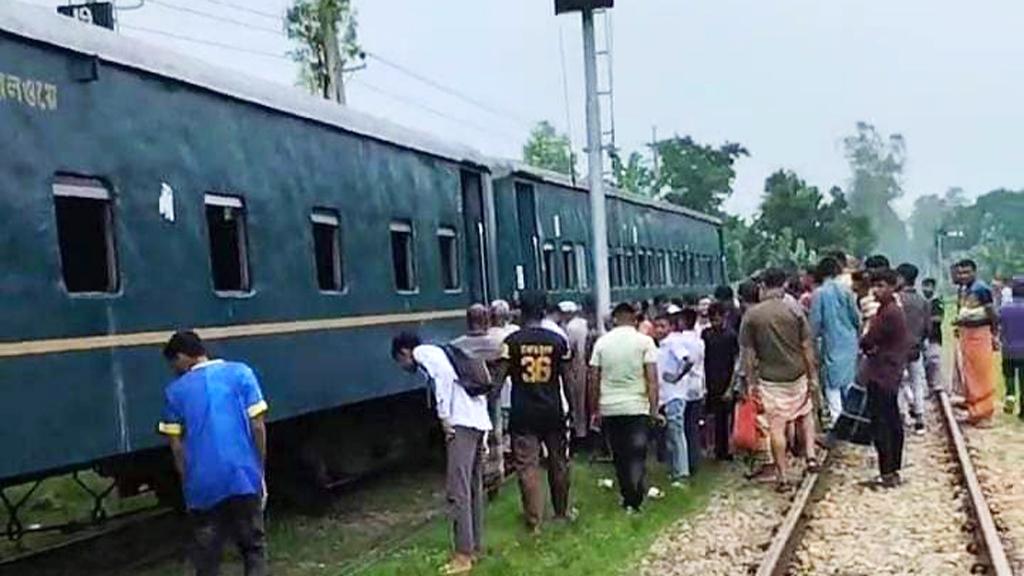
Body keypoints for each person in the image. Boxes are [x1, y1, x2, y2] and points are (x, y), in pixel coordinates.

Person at [157, 331, 269, 576]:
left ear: (183, 356)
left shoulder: (174, 392)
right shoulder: (241, 373)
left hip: (203, 484)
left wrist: (188, 481)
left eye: (174, 362)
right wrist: (258, 468)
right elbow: (258, 425)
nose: (174, 369)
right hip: (242, 475)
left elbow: (176, 446)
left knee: (207, 556)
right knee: (253, 548)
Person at [392, 332, 491, 575]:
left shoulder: (424, 353)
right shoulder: (447, 352)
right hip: (478, 422)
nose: (404, 366)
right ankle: (475, 547)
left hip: (461, 424)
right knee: (473, 487)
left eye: (400, 361)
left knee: (458, 490)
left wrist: (444, 417)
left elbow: (444, 378)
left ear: (404, 352)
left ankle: (462, 555)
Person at [491, 291, 573, 533]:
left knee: (527, 467)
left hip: (523, 411)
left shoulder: (512, 342)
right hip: (553, 410)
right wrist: (573, 410)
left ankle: (534, 521)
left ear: (520, 311)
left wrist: (489, 404)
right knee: (559, 463)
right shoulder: (558, 341)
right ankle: (561, 512)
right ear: (544, 310)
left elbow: (498, 380)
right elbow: (568, 379)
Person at [740, 268, 818, 490]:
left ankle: (782, 476)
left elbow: (749, 353)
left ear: (763, 286)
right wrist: (812, 376)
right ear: (783, 285)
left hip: (770, 379)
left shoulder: (752, 315)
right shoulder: (795, 311)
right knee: (805, 414)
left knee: (776, 427)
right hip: (797, 374)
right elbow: (807, 346)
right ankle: (810, 456)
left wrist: (750, 382)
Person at [589, 302, 662, 512]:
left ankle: (626, 495)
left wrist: (595, 409)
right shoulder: (645, 342)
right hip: (637, 406)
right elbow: (652, 379)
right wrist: (654, 408)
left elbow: (594, 378)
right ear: (634, 318)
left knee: (619, 455)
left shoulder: (602, 343)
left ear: (614, 318)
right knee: (637, 452)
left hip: (611, 407)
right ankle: (636, 495)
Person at [860, 269, 909, 488]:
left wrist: (868, 342)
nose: (877, 290)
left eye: (881, 286)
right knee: (891, 420)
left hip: (882, 373)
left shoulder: (888, 313)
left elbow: (868, 340)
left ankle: (887, 471)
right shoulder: (892, 310)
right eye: (875, 286)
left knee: (882, 422)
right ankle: (892, 469)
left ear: (892, 286)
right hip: (890, 371)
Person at [451, 304, 505, 484]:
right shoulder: (498, 345)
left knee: (472, 438)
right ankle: (495, 473)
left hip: (466, 399)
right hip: (492, 394)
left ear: (467, 321)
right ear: (487, 321)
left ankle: (477, 472)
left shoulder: (456, 345)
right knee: (494, 434)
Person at [809, 256, 862, 427]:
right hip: (850, 342)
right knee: (849, 382)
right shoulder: (846, 291)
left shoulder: (819, 293)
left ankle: (838, 422)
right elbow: (856, 318)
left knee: (832, 385)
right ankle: (852, 420)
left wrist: (811, 344)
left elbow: (815, 324)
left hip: (831, 342)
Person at [953, 259, 998, 425]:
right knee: (970, 372)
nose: (963, 276)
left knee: (980, 373)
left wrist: (994, 333)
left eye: (966, 272)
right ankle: (974, 409)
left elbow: (992, 313)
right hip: (968, 335)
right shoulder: (967, 289)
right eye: (960, 273)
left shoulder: (981, 289)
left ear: (974, 272)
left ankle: (984, 413)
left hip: (979, 334)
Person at [655, 306, 693, 485]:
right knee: (671, 434)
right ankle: (675, 470)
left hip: (675, 395)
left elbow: (688, 360)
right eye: (657, 326)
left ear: (670, 327)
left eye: (663, 326)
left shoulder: (673, 343)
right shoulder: (661, 346)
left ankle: (682, 472)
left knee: (677, 434)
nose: (659, 330)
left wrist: (677, 376)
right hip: (666, 395)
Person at [703, 302, 740, 461]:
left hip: (725, 380)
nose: (715, 322)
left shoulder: (730, 336)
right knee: (715, 418)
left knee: (726, 418)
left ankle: (726, 448)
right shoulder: (706, 335)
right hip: (711, 380)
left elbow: (735, 361)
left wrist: (732, 386)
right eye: (713, 319)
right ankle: (717, 448)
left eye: (717, 318)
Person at [895, 263, 929, 435]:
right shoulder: (922, 300)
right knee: (917, 383)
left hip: (897, 349)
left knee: (899, 382)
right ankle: (920, 418)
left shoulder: (896, 299)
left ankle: (903, 415)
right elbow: (927, 327)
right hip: (915, 348)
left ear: (901, 278)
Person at [678, 308, 706, 474]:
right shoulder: (699, 341)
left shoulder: (679, 342)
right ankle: (695, 459)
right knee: (693, 426)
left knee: (682, 428)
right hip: (697, 386)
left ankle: (684, 462)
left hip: (682, 387)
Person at [563, 301, 592, 443]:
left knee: (577, 400)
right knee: (586, 400)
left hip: (576, 364)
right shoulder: (583, 323)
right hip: (586, 363)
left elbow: (569, 348)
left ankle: (580, 434)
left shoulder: (571, 327)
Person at [1000, 277, 1024, 418]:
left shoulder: (1005, 309)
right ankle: (1023, 411)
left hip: (1008, 350)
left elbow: (999, 326)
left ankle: (1010, 396)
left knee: (1009, 377)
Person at [921, 278, 945, 393]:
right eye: (925, 286)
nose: (927, 289)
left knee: (933, 361)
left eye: (929, 286)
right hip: (923, 337)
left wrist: (924, 319)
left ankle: (936, 385)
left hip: (934, 336)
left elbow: (939, 318)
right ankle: (930, 385)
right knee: (926, 362)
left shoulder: (937, 302)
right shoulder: (922, 301)